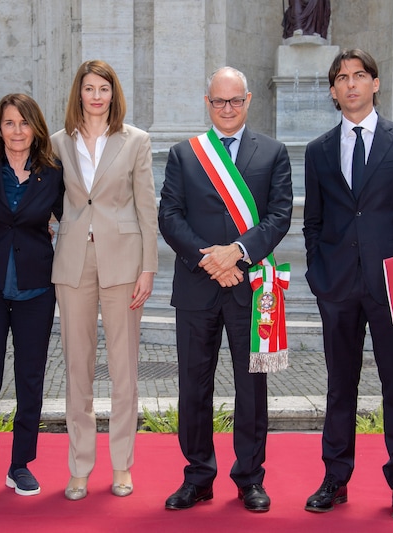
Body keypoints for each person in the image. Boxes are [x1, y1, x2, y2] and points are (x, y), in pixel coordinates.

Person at [302, 49, 393, 521]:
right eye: (342, 78)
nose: (352, 84)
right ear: (334, 90)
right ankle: (334, 479)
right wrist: (317, 276)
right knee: (340, 386)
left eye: (360, 76)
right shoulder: (318, 150)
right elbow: (313, 222)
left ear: (375, 83)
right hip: (337, 287)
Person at [158, 66, 293, 513]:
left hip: (249, 287)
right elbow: (170, 217)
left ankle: (250, 478)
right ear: (207, 102)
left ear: (249, 100)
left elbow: (279, 216)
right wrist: (209, 260)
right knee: (193, 387)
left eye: (235, 101)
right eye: (219, 101)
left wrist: (235, 252)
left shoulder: (273, 153)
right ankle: (197, 476)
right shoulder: (184, 154)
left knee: (251, 388)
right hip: (199, 287)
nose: (228, 109)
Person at [51, 59, 158, 501]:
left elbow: (146, 207)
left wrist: (148, 266)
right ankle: (79, 468)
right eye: (89, 88)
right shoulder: (57, 143)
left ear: (114, 94)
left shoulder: (136, 141)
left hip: (124, 262)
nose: (96, 96)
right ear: (79, 93)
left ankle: (122, 466)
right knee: (77, 367)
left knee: (123, 369)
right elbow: (50, 200)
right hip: (74, 261)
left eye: (104, 88)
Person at [0, 94, 64, 503]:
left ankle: (20, 464)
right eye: (9, 123)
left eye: (24, 123)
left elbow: (71, 220)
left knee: (31, 378)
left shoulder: (53, 173)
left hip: (36, 288)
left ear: (35, 128)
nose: (17, 131)